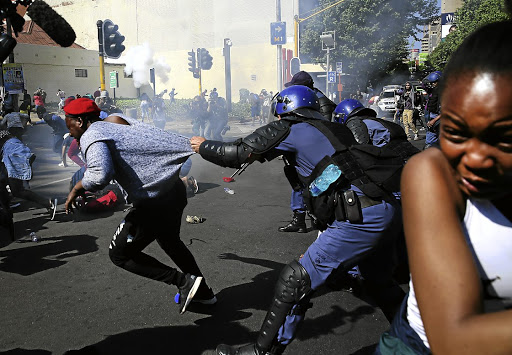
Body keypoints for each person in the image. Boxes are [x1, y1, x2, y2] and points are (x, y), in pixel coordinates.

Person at [191, 85, 405, 355]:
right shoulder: (333, 128)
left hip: (359, 218)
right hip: (384, 208)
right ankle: (419, 339)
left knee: (295, 279)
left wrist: (203, 146)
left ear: (284, 108)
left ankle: (262, 351)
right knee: (380, 283)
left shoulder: (291, 127)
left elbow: (236, 153)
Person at [376, 20, 512, 354]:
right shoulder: (431, 172)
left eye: (504, 138)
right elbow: (453, 340)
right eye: (457, 132)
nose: (477, 158)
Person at [63, 98, 216, 314]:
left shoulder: (92, 135)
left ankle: (184, 282)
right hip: (173, 191)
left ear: (79, 121)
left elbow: (100, 175)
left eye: (68, 125)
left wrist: (77, 187)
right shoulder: (115, 120)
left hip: (154, 201)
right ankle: (204, 294)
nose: (69, 133)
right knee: (171, 242)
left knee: (120, 255)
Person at [278, 70, 336, 233]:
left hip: (314, 147)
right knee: (297, 179)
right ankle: (300, 218)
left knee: (314, 182)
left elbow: (323, 126)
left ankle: (317, 217)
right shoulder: (302, 96)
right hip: (300, 142)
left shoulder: (320, 100)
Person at [0, 129, 57, 220]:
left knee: (16, 190)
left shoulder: (9, 143)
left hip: (13, 155)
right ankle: (7, 212)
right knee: (6, 186)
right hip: (13, 154)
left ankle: (48, 203)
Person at [423, 71, 442, 149]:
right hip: (432, 115)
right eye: (432, 82)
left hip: (439, 118)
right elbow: (423, 85)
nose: (433, 84)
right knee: (429, 142)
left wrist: (434, 120)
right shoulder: (433, 90)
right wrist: (428, 77)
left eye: (434, 82)